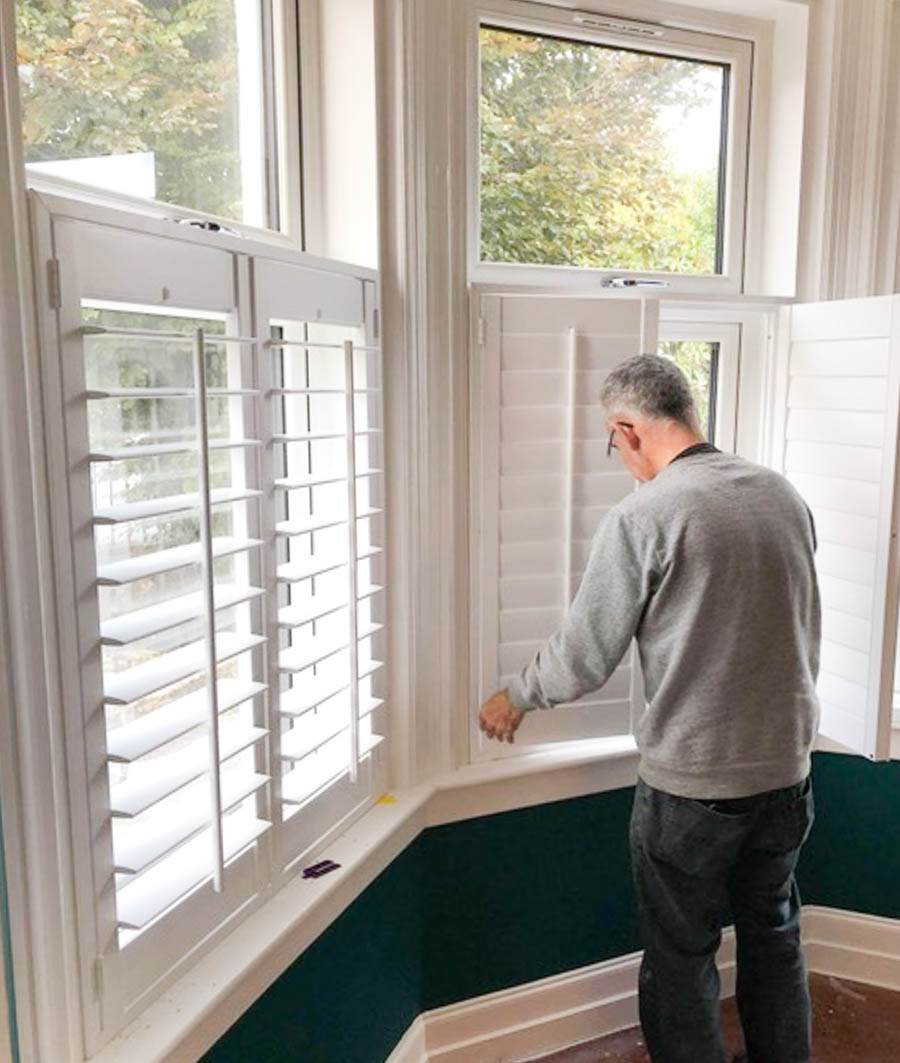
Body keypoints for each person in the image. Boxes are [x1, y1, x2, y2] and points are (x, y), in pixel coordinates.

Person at [478, 354, 820, 1063]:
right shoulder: (782, 494)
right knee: (775, 936)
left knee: (680, 957)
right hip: (786, 775)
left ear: (630, 430)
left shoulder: (648, 514)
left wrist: (516, 695)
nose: (620, 458)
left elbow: (583, 653)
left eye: (615, 443)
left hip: (692, 790)